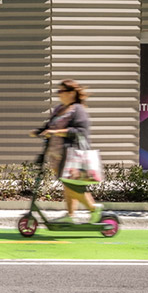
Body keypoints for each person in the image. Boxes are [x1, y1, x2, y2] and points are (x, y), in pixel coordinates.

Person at [35, 79, 99, 222]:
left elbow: (80, 131)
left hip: (72, 153)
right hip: (56, 154)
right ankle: (70, 216)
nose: (59, 94)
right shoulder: (59, 109)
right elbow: (49, 126)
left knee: (71, 185)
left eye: (61, 91)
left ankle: (94, 209)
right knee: (67, 184)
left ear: (71, 93)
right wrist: (39, 131)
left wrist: (57, 132)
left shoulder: (78, 110)